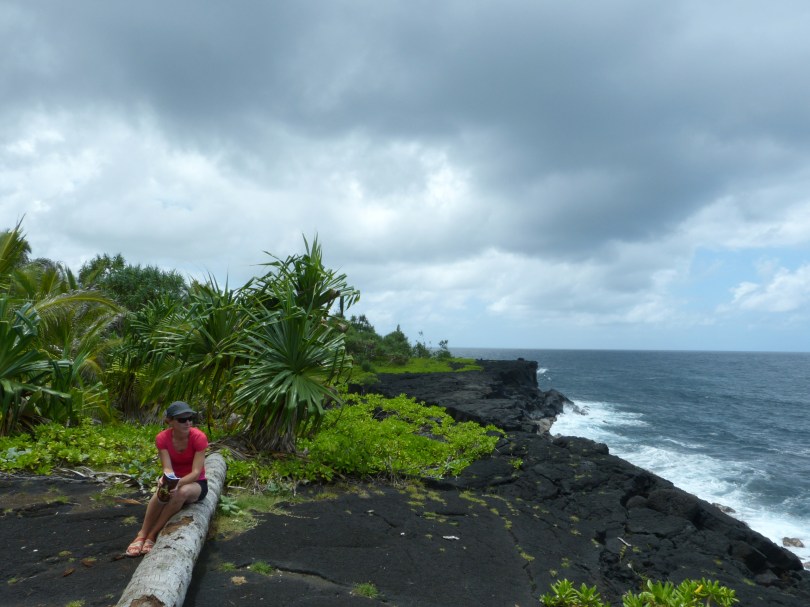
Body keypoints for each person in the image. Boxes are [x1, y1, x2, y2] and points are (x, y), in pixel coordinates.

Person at [125, 401, 209, 557]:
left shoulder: (199, 437)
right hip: (174, 479)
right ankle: (142, 534)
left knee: (180, 493)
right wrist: (167, 480)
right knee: (160, 494)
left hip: (196, 483)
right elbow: (167, 467)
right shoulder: (162, 438)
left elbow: (196, 472)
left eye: (190, 418)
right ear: (169, 421)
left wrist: (177, 484)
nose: (188, 422)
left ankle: (153, 534)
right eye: (182, 419)